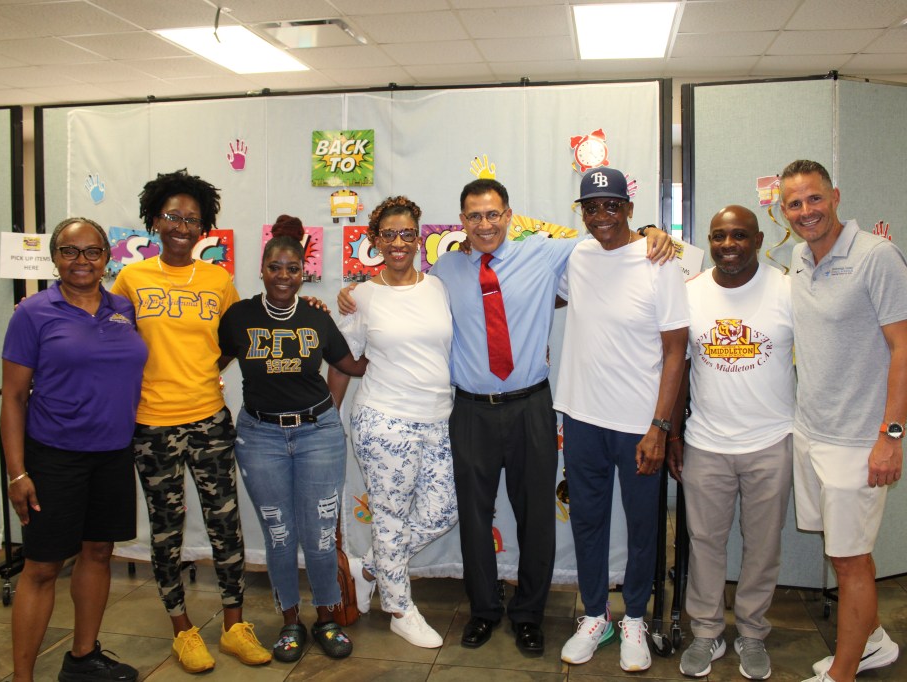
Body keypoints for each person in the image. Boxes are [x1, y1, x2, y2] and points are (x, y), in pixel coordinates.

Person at [339, 178, 673, 655]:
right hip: (469, 410)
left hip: (530, 406)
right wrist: (346, 296)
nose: (485, 224)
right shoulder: (445, 270)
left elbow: (608, 236)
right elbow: (396, 300)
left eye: (493, 214)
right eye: (474, 216)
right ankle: (483, 610)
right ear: (462, 223)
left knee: (536, 516)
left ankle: (528, 614)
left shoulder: (545, 252)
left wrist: (651, 231)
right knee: (474, 518)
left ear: (509, 215)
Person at [111, 169, 271, 674]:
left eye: (192, 219)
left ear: (204, 229)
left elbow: (233, 337)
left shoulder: (216, 279)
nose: (182, 226)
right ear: (154, 220)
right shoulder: (131, 279)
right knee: (166, 531)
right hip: (151, 424)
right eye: (172, 216)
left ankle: (233, 626)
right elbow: (113, 338)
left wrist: (203, 370)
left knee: (226, 523)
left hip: (208, 419)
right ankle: (182, 630)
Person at [779, 160, 907, 682]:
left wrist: (891, 436)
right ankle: (874, 641)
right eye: (794, 203)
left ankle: (842, 672)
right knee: (841, 551)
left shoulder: (876, 256)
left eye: (814, 199)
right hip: (812, 432)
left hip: (859, 440)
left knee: (851, 560)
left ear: (835, 196)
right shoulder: (797, 256)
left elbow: (906, 348)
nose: (805, 212)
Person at [553, 167, 688, 673]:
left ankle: (634, 616)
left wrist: (660, 427)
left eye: (611, 206)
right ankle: (594, 615)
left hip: (639, 424)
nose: (601, 216)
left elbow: (676, 351)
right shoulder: (577, 256)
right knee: (587, 522)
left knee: (641, 528)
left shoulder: (660, 261)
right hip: (583, 415)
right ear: (582, 212)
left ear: (629, 210)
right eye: (591, 207)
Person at [2, 217, 147, 682]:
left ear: (107, 257)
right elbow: (12, 397)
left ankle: (82, 658)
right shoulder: (32, 313)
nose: (81, 261)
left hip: (112, 453)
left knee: (99, 552)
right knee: (42, 567)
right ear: (54, 257)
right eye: (69, 251)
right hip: (55, 456)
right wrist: (17, 473)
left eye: (91, 251)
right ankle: (22, 676)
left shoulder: (123, 307)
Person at [218, 215, 368, 663]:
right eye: (275, 267)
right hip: (260, 436)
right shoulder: (239, 317)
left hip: (318, 433)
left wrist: (387, 336)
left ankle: (325, 617)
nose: (284, 276)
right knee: (279, 535)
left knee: (320, 536)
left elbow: (351, 365)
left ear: (304, 272)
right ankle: (290, 622)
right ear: (261, 270)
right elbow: (206, 363)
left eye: (293, 268)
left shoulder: (315, 317)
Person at [666, 206, 794, 680]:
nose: (728, 245)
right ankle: (706, 633)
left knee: (762, 546)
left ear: (758, 240)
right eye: (719, 236)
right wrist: (674, 433)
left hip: (770, 441)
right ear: (710, 240)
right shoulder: (691, 293)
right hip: (706, 443)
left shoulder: (785, 289)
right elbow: (677, 369)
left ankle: (754, 633)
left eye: (739, 235)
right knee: (704, 543)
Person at [327, 196, 457, 649]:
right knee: (390, 516)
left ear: (418, 237)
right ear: (375, 240)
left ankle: (371, 568)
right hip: (383, 420)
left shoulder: (438, 286)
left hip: (438, 419)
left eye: (406, 233)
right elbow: (344, 361)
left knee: (443, 512)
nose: (398, 242)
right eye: (388, 234)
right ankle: (400, 608)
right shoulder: (361, 295)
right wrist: (331, 413)